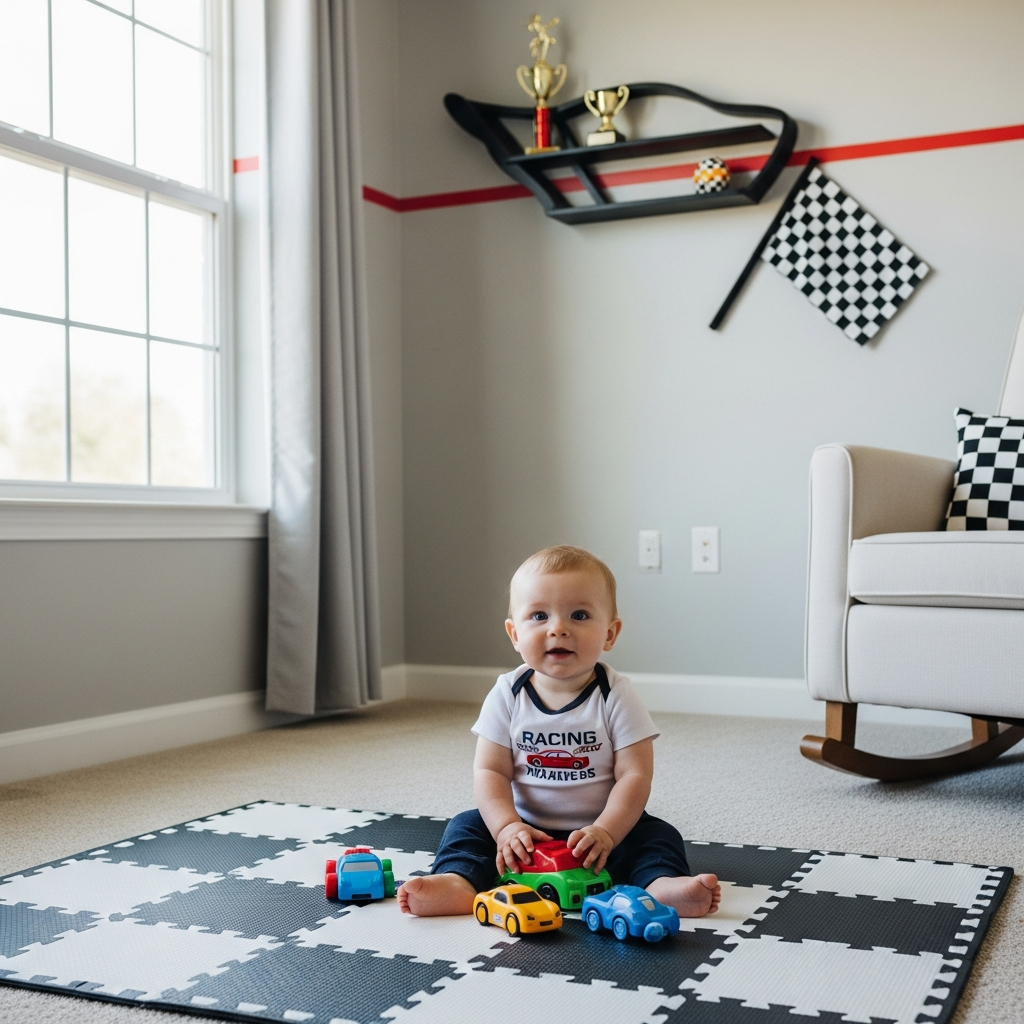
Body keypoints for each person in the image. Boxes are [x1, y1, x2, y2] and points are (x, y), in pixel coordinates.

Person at [398, 544, 721, 919]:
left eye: (579, 615)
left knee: (658, 837)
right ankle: (457, 882)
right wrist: (505, 827)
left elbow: (635, 775)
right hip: (525, 830)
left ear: (610, 633)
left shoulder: (616, 694)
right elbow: (490, 771)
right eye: (538, 615)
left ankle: (661, 886)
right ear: (514, 633)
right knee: (466, 827)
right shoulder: (508, 693)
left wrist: (607, 831)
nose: (558, 628)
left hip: (599, 831)